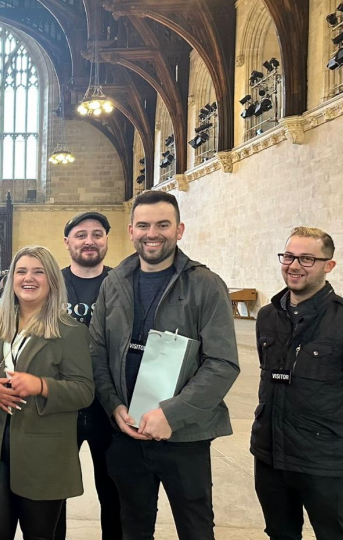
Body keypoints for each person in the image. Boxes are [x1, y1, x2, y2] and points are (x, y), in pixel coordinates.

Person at [91, 190, 239, 540]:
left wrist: (170, 414)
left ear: (179, 229)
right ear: (131, 231)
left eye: (162, 224)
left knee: (195, 528)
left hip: (183, 436)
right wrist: (114, 406)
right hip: (127, 432)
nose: (151, 233)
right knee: (133, 527)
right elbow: (97, 351)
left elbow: (222, 364)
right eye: (143, 225)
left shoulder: (205, 285)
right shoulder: (114, 283)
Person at [251, 227, 343, 540]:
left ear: (328, 265)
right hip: (270, 455)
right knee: (279, 532)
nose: (294, 265)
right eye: (289, 256)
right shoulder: (267, 316)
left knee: (333, 535)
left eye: (307, 258)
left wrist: (333, 428)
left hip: (322, 461)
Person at [0, 246, 95, 540]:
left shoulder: (70, 330)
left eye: (38, 271)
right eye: (22, 271)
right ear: (10, 278)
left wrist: (41, 386)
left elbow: (84, 392)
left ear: (52, 280)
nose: (29, 278)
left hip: (44, 455)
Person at [55, 212, 121, 540]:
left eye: (97, 234)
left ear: (107, 239)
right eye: (80, 235)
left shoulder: (121, 283)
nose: (89, 241)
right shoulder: (52, 284)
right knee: (53, 491)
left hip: (108, 404)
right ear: (67, 242)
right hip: (62, 403)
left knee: (113, 490)